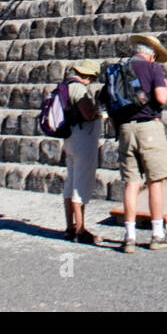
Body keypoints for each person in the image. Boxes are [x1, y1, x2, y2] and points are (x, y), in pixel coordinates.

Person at [117, 33, 167, 253]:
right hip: (148, 127)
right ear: (152, 56)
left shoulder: (121, 68)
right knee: (155, 181)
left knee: (131, 183)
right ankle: (157, 233)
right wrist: (165, 87)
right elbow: (160, 98)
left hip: (124, 129)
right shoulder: (153, 69)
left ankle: (129, 236)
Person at [62, 58, 104, 245]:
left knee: (70, 182)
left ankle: (70, 227)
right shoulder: (79, 89)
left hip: (70, 137)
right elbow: (87, 114)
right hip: (82, 138)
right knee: (81, 183)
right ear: (88, 75)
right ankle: (80, 229)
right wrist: (98, 111)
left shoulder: (66, 86)